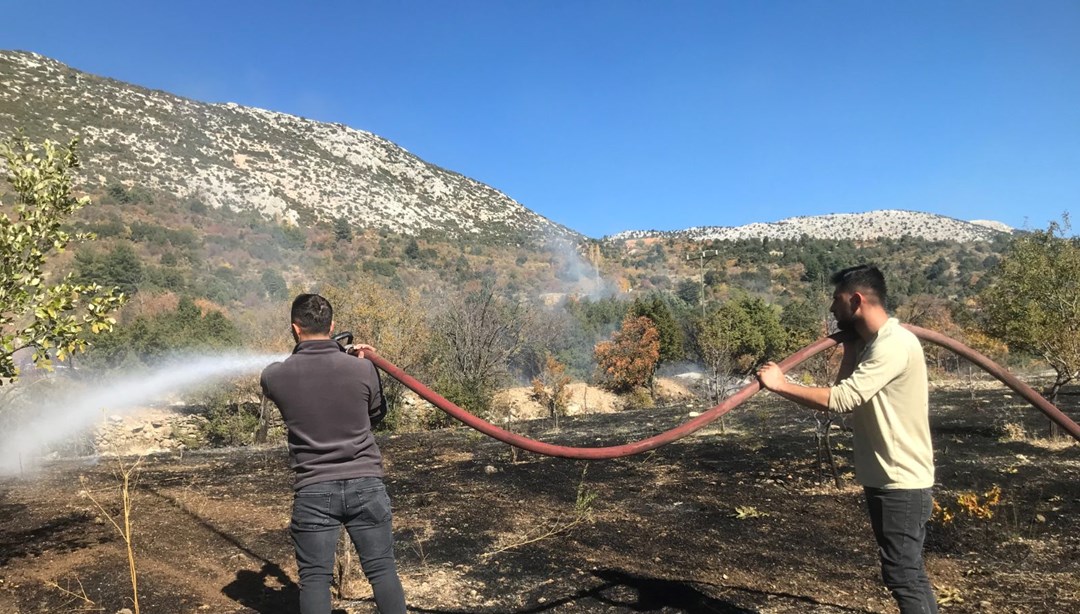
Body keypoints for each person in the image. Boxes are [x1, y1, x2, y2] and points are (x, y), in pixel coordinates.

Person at [756, 265, 937, 614]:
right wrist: (851, 348)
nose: (831, 309)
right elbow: (844, 391)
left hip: (901, 481)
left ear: (855, 300)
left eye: (836, 300)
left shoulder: (894, 344)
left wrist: (780, 384)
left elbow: (841, 400)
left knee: (903, 575)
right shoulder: (875, 345)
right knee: (906, 572)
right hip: (888, 478)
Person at [260, 293, 406, 614]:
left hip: (313, 490)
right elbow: (376, 414)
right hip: (366, 485)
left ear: (295, 329)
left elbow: (282, 380)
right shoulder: (363, 370)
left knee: (314, 579)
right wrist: (358, 359)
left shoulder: (275, 375)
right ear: (333, 326)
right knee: (382, 570)